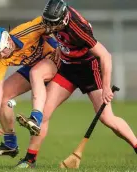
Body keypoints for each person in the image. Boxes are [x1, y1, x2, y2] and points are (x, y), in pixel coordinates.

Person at [16, 0, 137, 168]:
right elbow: (61, 40)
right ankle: (29, 160)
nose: (48, 26)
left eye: (53, 23)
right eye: (48, 21)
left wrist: (106, 86)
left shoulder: (78, 29)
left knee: (107, 118)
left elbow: (105, 56)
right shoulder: (54, 18)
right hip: (67, 69)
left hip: (89, 70)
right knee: (43, 114)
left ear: (63, 20)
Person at [0, 16, 60, 162]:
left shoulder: (26, 31)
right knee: (3, 95)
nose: (0, 55)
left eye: (1, 50)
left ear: (8, 40)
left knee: (36, 73)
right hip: (33, 65)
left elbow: (52, 20)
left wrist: (58, 45)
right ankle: (10, 144)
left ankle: (36, 118)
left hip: (53, 59)